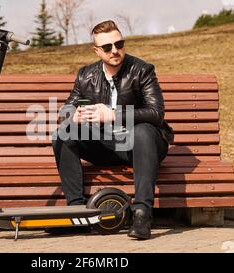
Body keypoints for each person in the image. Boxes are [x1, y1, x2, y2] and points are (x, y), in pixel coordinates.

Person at [50, 20, 174, 240]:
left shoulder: (142, 70)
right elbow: (67, 108)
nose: (115, 51)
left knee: (143, 131)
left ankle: (142, 214)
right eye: (107, 47)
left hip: (142, 147)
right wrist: (73, 115)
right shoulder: (86, 75)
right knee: (63, 133)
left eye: (119, 44)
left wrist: (113, 114)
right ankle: (78, 214)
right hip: (107, 145)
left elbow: (156, 113)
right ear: (97, 51)